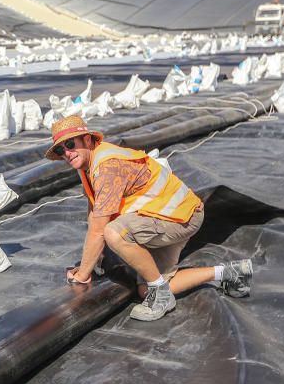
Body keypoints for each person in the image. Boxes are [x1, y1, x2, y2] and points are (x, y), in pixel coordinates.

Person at [46, 115, 254, 321]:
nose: (67, 153)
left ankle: (160, 294)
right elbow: (94, 213)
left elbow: (99, 229)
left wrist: (83, 275)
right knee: (145, 288)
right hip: (169, 216)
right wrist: (92, 261)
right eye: (60, 150)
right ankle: (229, 273)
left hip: (179, 218)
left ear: (88, 140)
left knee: (114, 233)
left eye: (70, 144)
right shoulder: (89, 166)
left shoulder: (107, 167)